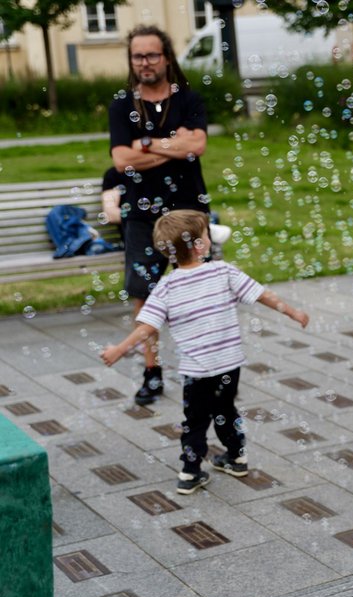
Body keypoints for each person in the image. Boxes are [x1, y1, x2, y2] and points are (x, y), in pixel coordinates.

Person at [100, 211, 309, 495]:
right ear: (200, 246)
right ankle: (236, 457)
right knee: (225, 410)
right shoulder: (224, 271)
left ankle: (190, 472)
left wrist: (119, 350)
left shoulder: (166, 287)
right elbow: (262, 295)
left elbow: (147, 328)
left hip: (197, 370)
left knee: (195, 420)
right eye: (207, 234)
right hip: (229, 364)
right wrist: (293, 312)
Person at [109, 25, 213, 406]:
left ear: (167, 57)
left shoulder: (188, 99)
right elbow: (122, 160)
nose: (145, 63)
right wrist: (175, 145)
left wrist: (147, 144)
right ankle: (152, 372)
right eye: (138, 56)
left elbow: (198, 145)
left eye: (152, 55)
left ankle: (206, 368)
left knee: (202, 292)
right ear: (131, 60)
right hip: (141, 215)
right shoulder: (122, 105)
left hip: (190, 211)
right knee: (143, 295)